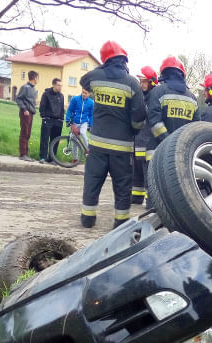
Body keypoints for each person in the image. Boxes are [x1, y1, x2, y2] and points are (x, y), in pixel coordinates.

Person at [79, 40, 145, 229]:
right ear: (124, 59)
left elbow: (84, 81)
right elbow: (139, 115)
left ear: (105, 59)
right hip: (122, 147)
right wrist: (134, 129)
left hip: (97, 145)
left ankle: (87, 218)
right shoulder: (132, 82)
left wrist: (101, 71)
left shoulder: (95, 77)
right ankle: (121, 222)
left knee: (92, 181)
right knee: (122, 185)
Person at [146, 56, 201, 145]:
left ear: (164, 73)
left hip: (157, 151)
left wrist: (169, 142)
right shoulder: (193, 98)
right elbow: (195, 127)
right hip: (182, 152)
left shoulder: (157, 92)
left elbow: (155, 122)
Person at [132, 65, 158, 205]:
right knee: (136, 169)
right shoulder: (142, 96)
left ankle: (150, 200)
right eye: (140, 81)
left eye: (144, 81)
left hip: (148, 140)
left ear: (152, 82)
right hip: (139, 139)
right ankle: (136, 196)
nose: (141, 84)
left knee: (147, 170)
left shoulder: (154, 97)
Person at [38, 78, 65, 163]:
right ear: (53, 84)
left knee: (55, 140)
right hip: (48, 119)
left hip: (58, 121)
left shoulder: (61, 96)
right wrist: (44, 117)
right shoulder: (46, 94)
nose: (60, 87)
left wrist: (61, 119)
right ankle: (43, 157)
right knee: (45, 139)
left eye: (61, 85)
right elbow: (42, 106)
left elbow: (61, 109)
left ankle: (52, 158)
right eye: (58, 85)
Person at [15, 70, 38, 161]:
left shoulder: (33, 89)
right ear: (34, 78)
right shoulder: (25, 87)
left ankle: (26, 154)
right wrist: (24, 109)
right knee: (24, 132)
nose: (38, 80)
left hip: (31, 113)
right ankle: (23, 154)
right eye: (37, 78)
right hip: (26, 113)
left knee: (28, 133)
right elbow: (18, 99)